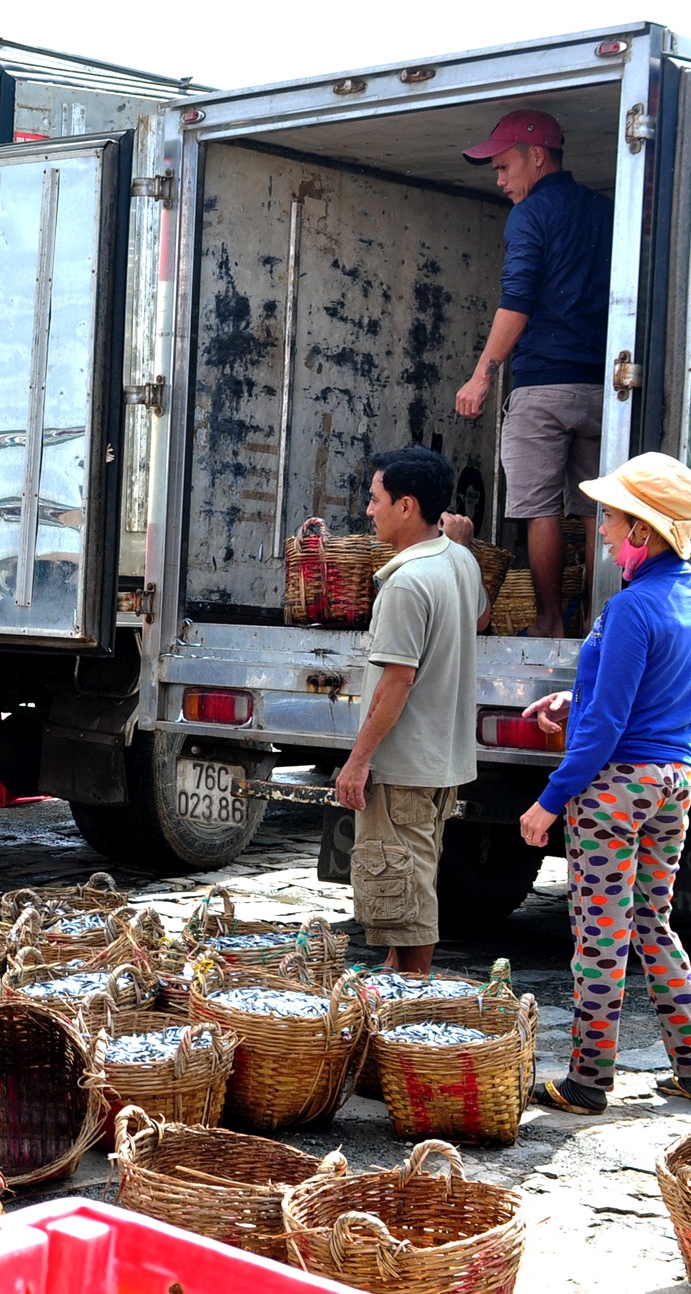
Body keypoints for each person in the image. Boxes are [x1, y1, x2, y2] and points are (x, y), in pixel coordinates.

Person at [516, 453, 691, 1114]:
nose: (606, 531)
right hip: (673, 782)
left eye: (614, 519)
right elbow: (648, 696)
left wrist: (548, 801)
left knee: (600, 935)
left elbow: (611, 724)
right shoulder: (682, 597)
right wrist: (575, 696)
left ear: (645, 530)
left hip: (615, 790)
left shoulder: (631, 607)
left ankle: (588, 1081)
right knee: (654, 923)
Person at [455, 109, 613, 637]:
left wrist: (481, 374)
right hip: (604, 388)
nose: (498, 180)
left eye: (503, 166)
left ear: (536, 157)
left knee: (540, 509)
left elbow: (517, 300)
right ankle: (596, 621)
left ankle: (548, 624)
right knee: (595, 512)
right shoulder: (605, 210)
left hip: (544, 387)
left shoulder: (529, 215)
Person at [334, 445, 483, 976]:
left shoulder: (406, 582)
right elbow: (481, 618)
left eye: (375, 500)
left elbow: (397, 683)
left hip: (403, 767)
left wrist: (358, 760)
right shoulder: (459, 559)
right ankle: (399, 980)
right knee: (410, 879)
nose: (368, 511)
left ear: (407, 505)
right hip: (439, 762)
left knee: (401, 889)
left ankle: (410, 998)